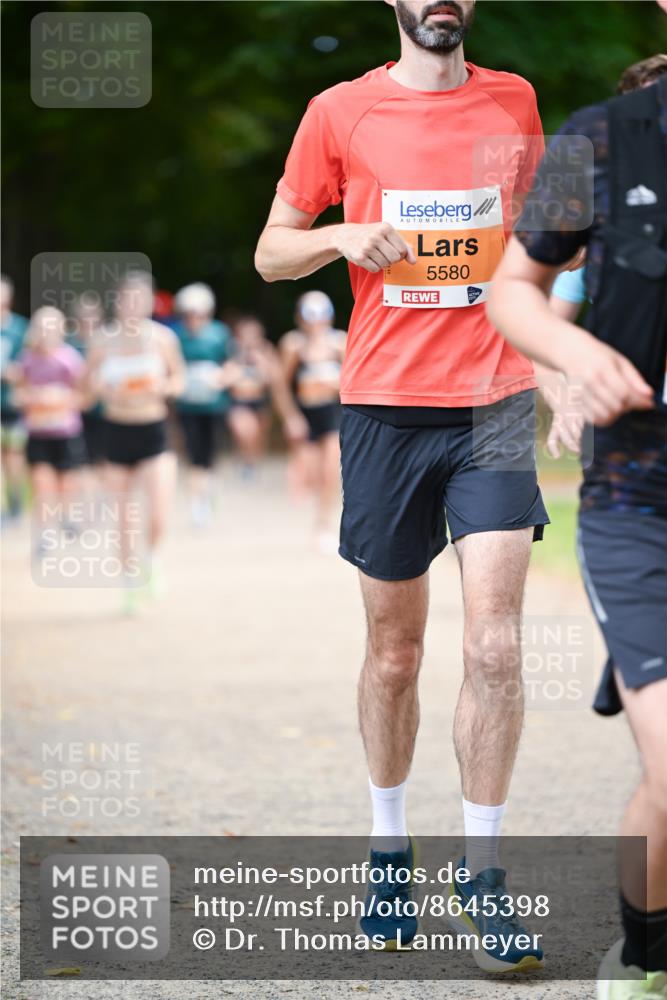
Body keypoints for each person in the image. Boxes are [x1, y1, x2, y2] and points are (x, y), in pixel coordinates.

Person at [256, 0, 548, 968]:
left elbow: (542, 243)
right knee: (394, 652)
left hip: (493, 403)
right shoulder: (339, 112)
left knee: (497, 644)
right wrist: (342, 239)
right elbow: (270, 250)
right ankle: (390, 847)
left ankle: (484, 872)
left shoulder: (514, 103)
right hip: (383, 407)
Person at [487, 57, 667, 999]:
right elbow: (512, 287)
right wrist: (574, 358)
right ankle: (644, 957)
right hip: (642, 499)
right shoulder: (592, 137)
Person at [88, 271, 185, 612]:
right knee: (123, 516)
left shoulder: (162, 339)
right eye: (127, 299)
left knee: (159, 510)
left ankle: (152, 560)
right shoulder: (102, 341)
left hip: (154, 430)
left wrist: (164, 388)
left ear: (148, 302)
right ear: (118, 303)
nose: (133, 306)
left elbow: (179, 381)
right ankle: (129, 581)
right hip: (116, 432)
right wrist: (100, 388)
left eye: (139, 299)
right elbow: (86, 389)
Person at [12, 306, 86, 554]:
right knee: (42, 485)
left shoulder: (70, 358)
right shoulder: (26, 359)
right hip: (37, 432)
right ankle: (44, 535)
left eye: (51, 328)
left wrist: (61, 400)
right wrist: (32, 398)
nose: (46, 333)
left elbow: (84, 394)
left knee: (66, 483)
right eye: (42, 328)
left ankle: (67, 517)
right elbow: (18, 394)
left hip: (65, 432)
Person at [279, 291, 346, 551]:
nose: (316, 322)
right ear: (300, 318)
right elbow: (282, 385)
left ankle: (323, 523)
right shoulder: (293, 345)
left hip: (332, 413)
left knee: (331, 470)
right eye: (310, 316)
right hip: (307, 414)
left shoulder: (339, 343)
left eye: (321, 315)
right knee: (313, 472)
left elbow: (354, 379)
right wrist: (290, 416)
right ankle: (315, 512)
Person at [172, 283, 231, 526]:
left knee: (211, 455)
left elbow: (231, 364)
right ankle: (197, 504)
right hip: (188, 406)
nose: (194, 319)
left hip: (214, 405)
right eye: (189, 314)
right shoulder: (177, 336)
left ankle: (207, 494)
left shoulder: (219, 334)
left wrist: (220, 378)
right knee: (195, 455)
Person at [225, 313, 306, 478]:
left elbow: (276, 378)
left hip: (260, 400)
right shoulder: (232, 349)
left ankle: (251, 462)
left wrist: (261, 363)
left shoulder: (266, 350)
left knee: (258, 435)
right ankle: (245, 458)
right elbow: (224, 375)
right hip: (239, 400)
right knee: (245, 429)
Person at [68, 293, 108, 472]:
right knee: (80, 462)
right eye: (84, 316)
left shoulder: (108, 341)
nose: (88, 320)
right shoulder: (68, 343)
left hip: (104, 410)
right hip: (76, 412)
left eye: (92, 315)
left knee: (105, 460)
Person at [1, 275, 29, 521]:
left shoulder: (20, 329)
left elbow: (31, 365)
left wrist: (15, 373)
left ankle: (15, 502)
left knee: (13, 456)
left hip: (12, 404)